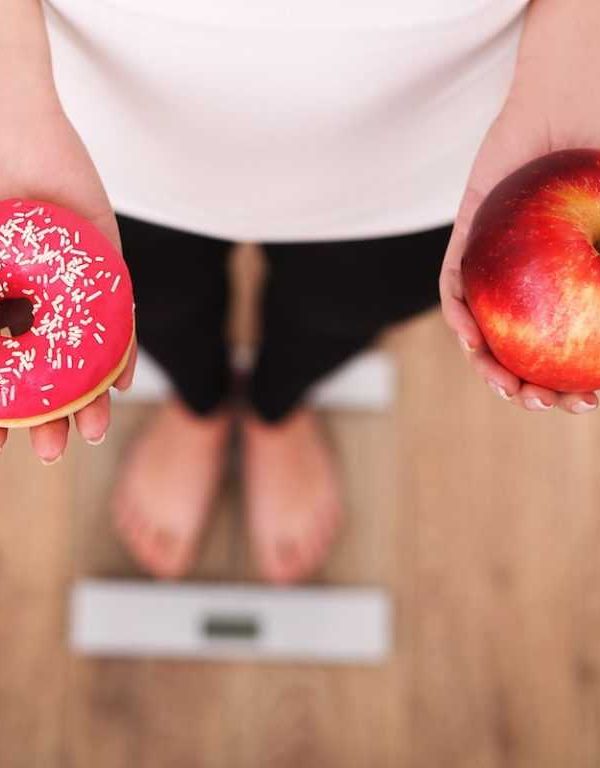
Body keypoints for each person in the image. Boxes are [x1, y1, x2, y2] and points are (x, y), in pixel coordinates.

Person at [4, 0, 593, 584]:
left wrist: (572, 43)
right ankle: (198, 402)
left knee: (344, 305)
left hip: (439, 134)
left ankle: (278, 405)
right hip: (82, 114)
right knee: (150, 300)